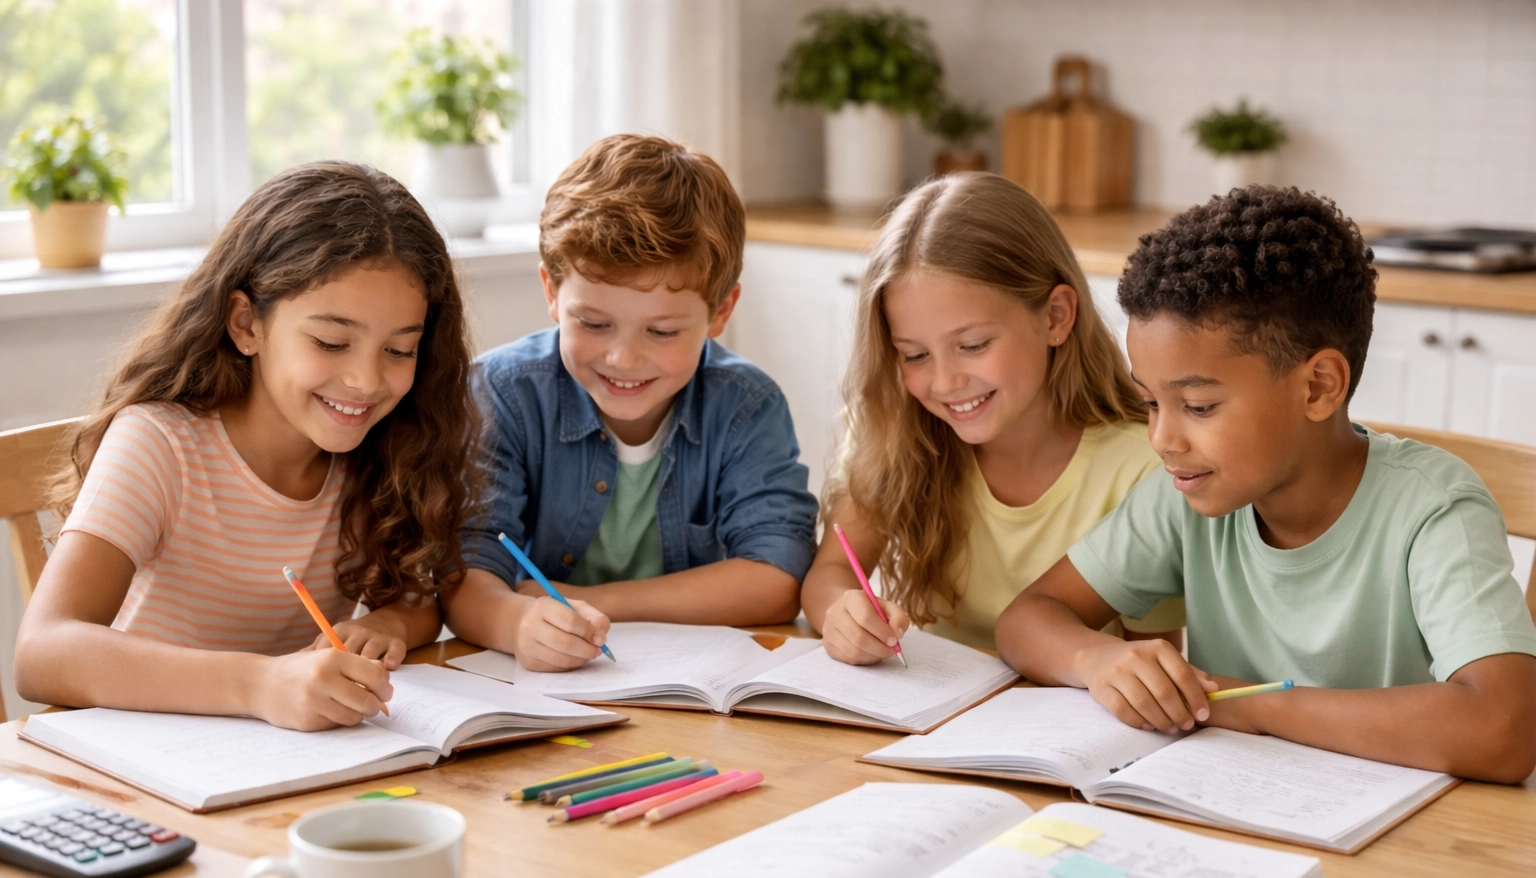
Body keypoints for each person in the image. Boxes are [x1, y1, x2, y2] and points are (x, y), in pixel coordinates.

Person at [997, 185, 1536, 783]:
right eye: (1151, 402)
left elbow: (1503, 728)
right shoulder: (1187, 493)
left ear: (1318, 387)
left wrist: (1248, 703)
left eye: (1198, 406)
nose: (1162, 438)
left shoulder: (1433, 511)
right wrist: (1097, 658)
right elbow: (1026, 619)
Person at [16, 162, 480, 731]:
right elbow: (42, 652)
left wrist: (388, 624)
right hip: (146, 758)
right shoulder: (160, 444)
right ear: (246, 324)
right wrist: (260, 683)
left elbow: (418, 602)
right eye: (331, 342)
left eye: (400, 350)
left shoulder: (384, 449)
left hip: (274, 764)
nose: (366, 380)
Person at [442, 134, 818, 671]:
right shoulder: (504, 394)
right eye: (593, 323)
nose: (623, 358)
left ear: (720, 311)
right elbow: (466, 576)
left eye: (662, 331)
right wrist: (517, 623)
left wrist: (598, 603)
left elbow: (776, 578)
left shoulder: (746, 406)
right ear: (551, 292)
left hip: (694, 687)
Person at [801, 172, 1182, 663]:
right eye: (914, 355)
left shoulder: (1143, 469)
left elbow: (1153, 662)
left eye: (973, 345)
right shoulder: (891, 426)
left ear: (1056, 317)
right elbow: (830, 574)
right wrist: (843, 613)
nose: (943, 382)